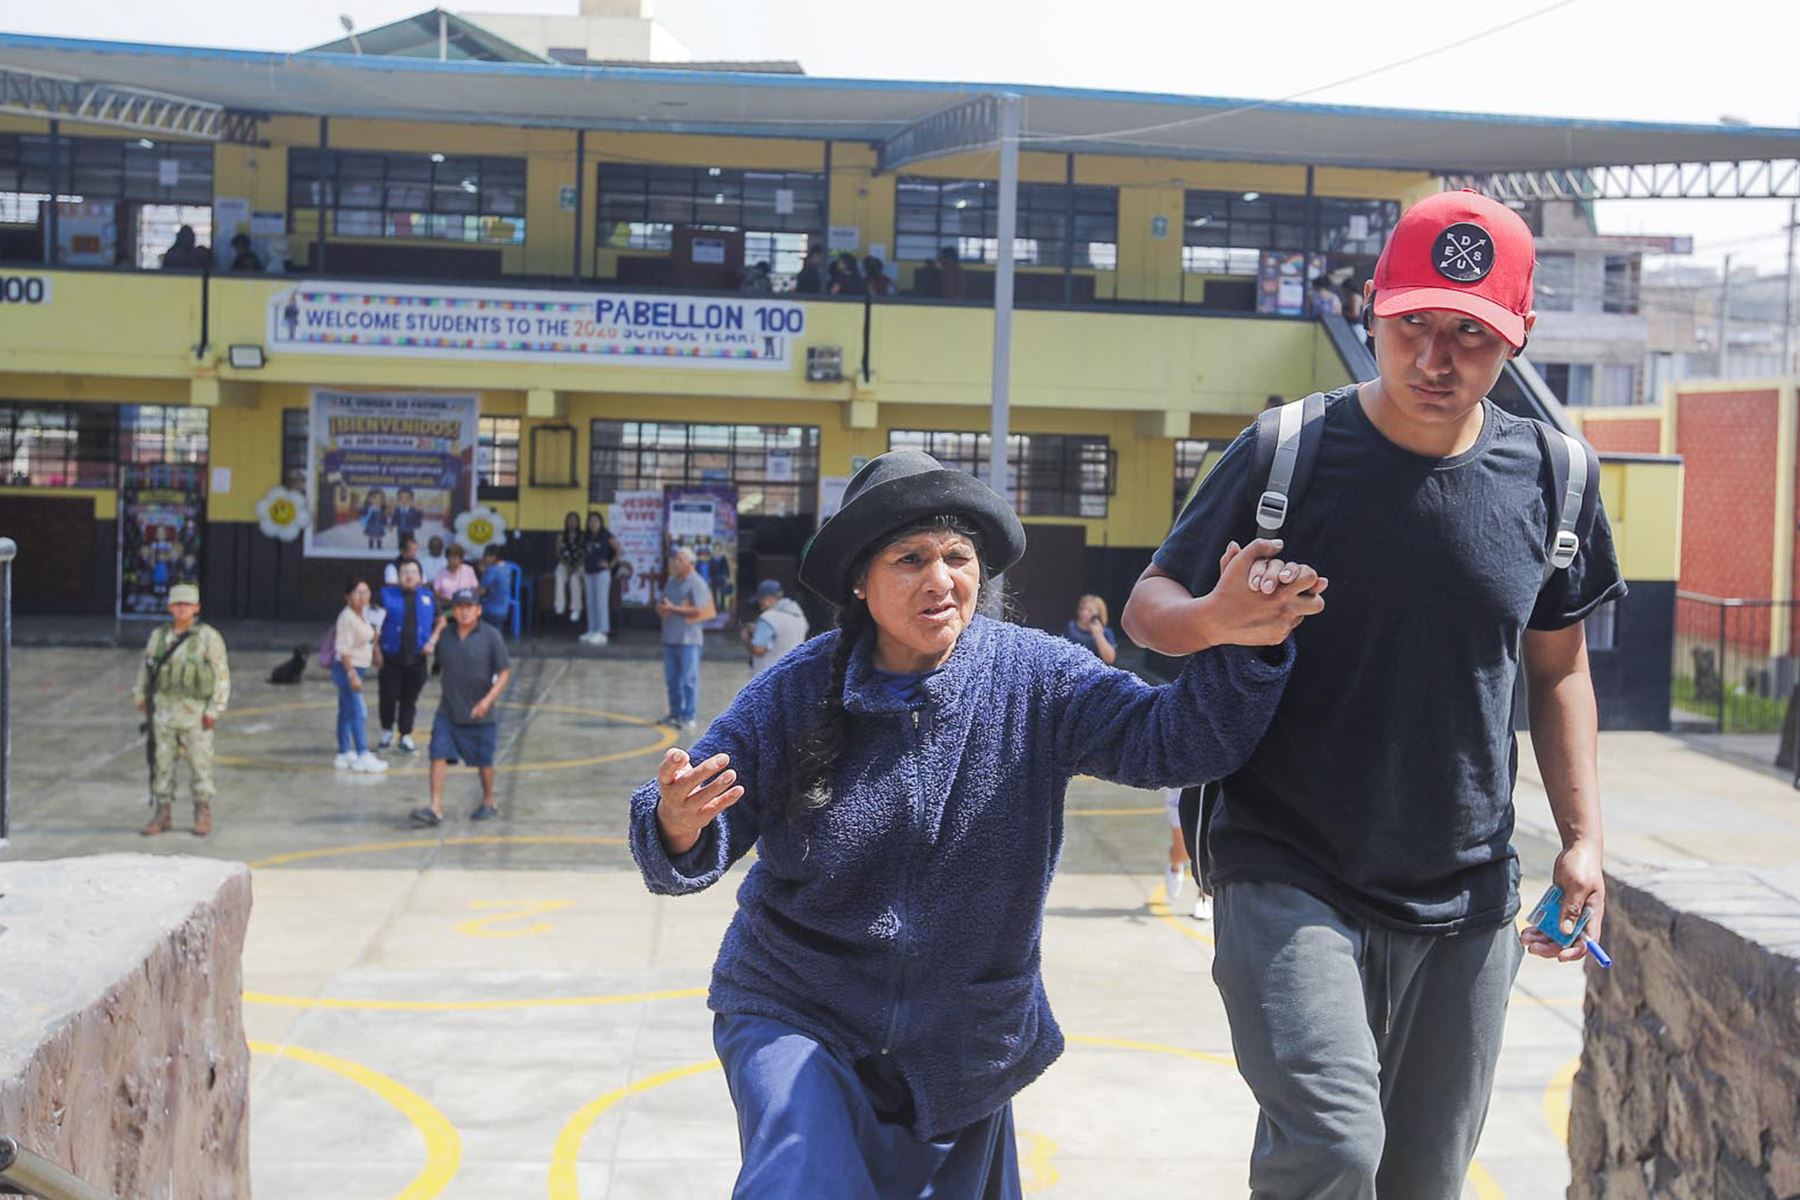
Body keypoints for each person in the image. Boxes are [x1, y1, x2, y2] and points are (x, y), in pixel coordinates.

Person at [628, 449, 1314, 1198]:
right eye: (910, 558)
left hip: (963, 1045)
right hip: (798, 1011)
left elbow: (1176, 741)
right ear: (861, 581)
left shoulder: (1037, 677)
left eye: (957, 556)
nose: (939, 579)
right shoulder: (795, 690)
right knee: (797, 1182)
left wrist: (1244, 642)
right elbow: (690, 824)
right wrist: (676, 823)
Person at [1122, 188, 1625, 1198]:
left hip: (1468, 879)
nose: (1437, 360)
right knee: (1334, 1145)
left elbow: (1559, 666)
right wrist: (1219, 616)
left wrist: (1582, 836)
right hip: (1286, 854)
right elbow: (1149, 607)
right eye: (1415, 327)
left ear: (1515, 338)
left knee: (1423, 1177)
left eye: (1471, 337)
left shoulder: (1556, 480)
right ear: (1374, 317)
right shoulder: (1289, 450)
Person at [133, 583, 230, 837]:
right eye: (177, 605)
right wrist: (140, 695)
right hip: (164, 712)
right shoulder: (159, 637)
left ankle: (203, 813)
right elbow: (147, 668)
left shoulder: (208, 638)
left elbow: (221, 677)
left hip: (195, 714)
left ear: (196, 608)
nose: (181, 610)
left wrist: (214, 710)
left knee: (200, 765)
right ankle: (162, 813)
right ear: (169, 607)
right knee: (161, 764)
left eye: (186, 605)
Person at [410, 588, 511, 827]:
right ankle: (435, 807)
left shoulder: (491, 636)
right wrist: (436, 631)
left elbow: (504, 672)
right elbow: (433, 656)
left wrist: (487, 701)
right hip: (448, 711)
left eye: (469, 607)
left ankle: (488, 801)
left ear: (478, 610)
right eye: (459, 607)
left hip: (479, 714)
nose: (464, 612)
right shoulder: (445, 636)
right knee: (438, 754)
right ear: (453, 611)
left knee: (484, 762)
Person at [377, 560, 439, 754]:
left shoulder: (428, 596)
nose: (409, 576)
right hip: (391, 658)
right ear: (398, 576)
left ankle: (405, 735)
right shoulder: (385, 595)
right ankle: (387, 730)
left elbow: (442, 620)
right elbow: (373, 625)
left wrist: (432, 641)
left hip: (417, 659)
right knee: (388, 696)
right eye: (404, 572)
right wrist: (375, 651)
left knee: (409, 699)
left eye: (413, 572)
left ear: (421, 577)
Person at [331, 578, 389, 773]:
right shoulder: (346, 617)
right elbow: (343, 649)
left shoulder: (364, 614)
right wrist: (352, 675)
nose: (363, 596)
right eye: (357, 592)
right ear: (348, 597)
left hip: (360, 668)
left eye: (366, 591)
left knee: (346, 711)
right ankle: (363, 753)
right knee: (358, 711)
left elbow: (369, 640)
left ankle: (344, 752)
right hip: (348, 669)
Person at [657, 545, 715, 732]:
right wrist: (662, 609)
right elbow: (663, 604)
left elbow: (700, 609)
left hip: (689, 640)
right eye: (676, 559)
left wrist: (673, 609)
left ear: (690, 563)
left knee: (688, 681)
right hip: (670, 638)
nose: (676, 562)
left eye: (680, 559)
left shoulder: (697, 583)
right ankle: (674, 713)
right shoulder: (671, 582)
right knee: (672, 680)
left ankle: (688, 716)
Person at [742, 579, 808, 676]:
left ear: (768, 599)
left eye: (760, 600)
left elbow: (759, 649)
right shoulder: (800, 617)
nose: (760, 606)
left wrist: (745, 638)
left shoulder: (767, 618)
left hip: (769, 676)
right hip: (793, 672)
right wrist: (759, 630)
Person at [581, 510, 622, 646]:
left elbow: (619, 550)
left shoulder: (606, 535)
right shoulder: (586, 537)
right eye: (591, 521)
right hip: (588, 572)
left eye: (596, 521)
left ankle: (603, 632)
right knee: (590, 602)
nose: (593, 523)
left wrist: (610, 565)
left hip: (602, 573)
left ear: (600, 523)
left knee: (601, 602)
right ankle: (592, 630)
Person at [1064, 594, 1117, 666]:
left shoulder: (1106, 632)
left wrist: (1099, 635)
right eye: (1082, 609)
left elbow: (1110, 659)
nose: (1084, 613)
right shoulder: (1071, 627)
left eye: (1090, 611)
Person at [553, 511, 585, 625]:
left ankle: (576, 609)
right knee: (559, 574)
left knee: (574, 579)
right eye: (570, 520)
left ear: (578, 522)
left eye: (574, 520)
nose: (572, 522)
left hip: (579, 565)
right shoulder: (561, 536)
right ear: (566, 522)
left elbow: (584, 554)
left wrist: (575, 567)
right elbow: (558, 553)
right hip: (565, 563)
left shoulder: (582, 536)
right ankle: (559, 606)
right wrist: (567, 566)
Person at [478, 545, 512, 635]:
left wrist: (483, 572)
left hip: (490, 610)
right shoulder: (507, 568)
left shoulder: (492, 570)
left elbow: (480, 591)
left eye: (485, 556)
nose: (483, 559)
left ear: (493, 557)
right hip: (504, 609)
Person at [433, 541, 478, 606]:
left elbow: (475, 589)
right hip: (447, 605)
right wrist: (448, 600)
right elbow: (436, 592)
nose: (451, 561)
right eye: (449, 558)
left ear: (461, 559)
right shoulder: (440, 573)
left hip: (466, 605)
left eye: (454, 558)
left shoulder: (468, 570)